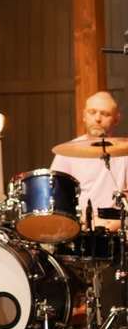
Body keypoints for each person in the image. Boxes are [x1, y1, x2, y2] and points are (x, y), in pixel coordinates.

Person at [50, 90, 128, 232]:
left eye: (105, 114)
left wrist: (116, 223)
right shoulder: (67, 153)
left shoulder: (125, 153)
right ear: (84, 116)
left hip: (118, 230)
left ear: (116, 119)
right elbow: (55, 198)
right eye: (92, 112)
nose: (97, 118)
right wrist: (82, 221)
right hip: (79, 229)